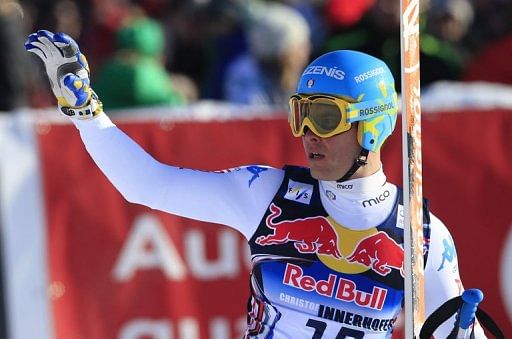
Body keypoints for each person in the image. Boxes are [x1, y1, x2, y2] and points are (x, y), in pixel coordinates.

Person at [25, 30, 486, 338]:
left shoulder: (424, 236)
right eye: (300, 115)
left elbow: (452, 332)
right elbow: (147, 185)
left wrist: (466, 330)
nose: (307, 134)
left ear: (371, 128)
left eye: (324, 118)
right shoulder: (270, 195)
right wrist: (86, 114)